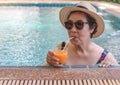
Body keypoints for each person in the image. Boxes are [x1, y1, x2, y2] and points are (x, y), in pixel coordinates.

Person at [45, 1, 119, 67]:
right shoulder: (61, 48)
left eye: (79, 24)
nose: (73, 30)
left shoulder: (104, 57)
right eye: (69, 24)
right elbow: (42, 76)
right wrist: (49, 63)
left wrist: (111, 69)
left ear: (92, 28)